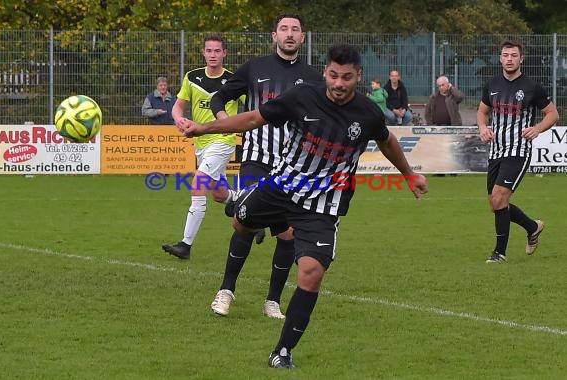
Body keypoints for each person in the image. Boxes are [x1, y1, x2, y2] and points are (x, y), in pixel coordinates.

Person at [180, 44, 428, 369]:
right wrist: (204, 127)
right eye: (334, 75)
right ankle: (237, 203)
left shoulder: (367, 113)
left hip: (323, 204)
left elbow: (386, 140)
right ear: (326, 72)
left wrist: (408, 175)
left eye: (347, 78)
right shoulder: (302, 97)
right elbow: (254, 117)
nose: (339, 84)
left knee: (311, 272)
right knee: (241, 223)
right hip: (281, 188)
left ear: (359, 77)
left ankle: (281, 352)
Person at [207, 13, 323, 319]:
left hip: (293, 167)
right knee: (245, 224)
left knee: (287, 235)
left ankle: (272, 301)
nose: (289, 34)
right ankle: (226, 291)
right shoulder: (254, 68)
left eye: (295, 29)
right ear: (274, 36)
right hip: (257, 160)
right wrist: (224, 121)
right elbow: (220, 97)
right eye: (283, 29)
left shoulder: (314, 78)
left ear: (302, 37)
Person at [161, 35, 244, 260]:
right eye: (209, 51)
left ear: (224, 53)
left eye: (218, 51)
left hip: (223, 141)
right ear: (203, 53)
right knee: (219, 194)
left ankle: (185, 245)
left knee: (198, 182)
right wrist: (179, 119)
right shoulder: (192, 77)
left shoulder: (234, 80)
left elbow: (252, 106)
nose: (213, 55)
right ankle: (250, 212)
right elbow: (178, 107)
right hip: (201, 143)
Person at [477, 40, 559, 263]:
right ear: (500, 58)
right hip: (496, 150)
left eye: (514, 55)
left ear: (521, 59)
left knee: (499, 197)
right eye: (506, 55)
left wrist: (537, 128)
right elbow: (482, 112)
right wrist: (483, 128)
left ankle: (499, 253)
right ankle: (533, 227)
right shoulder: (492, 84)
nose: (510, 59)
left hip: (518, 150)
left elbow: (553, 114)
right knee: (495, 204)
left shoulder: (532, 87)